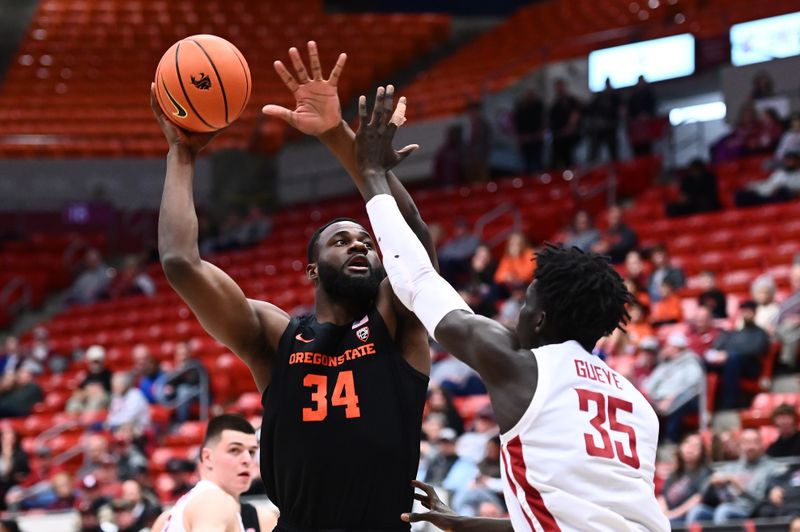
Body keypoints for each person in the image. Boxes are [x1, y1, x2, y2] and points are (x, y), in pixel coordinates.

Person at [155, 41, 433, 531]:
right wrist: (181, 152)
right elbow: (180, 262)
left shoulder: (397, 322)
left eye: (366, 240)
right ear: (311, 270)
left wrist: (336, 133)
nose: (359, 246)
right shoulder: (276, 337)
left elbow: (415, 244)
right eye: (341, 240)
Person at [352, 103, 669, 530]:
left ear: (540, 320)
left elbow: (418, 281)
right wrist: (466, 525)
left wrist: (372, 175)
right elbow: (581, 519)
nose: (516, 314)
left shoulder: (521, 366)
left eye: (526, 304)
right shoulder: (637, 404)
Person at [151, 414, 258, 532]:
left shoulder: (166, 517)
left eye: (252, 452)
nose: (247, 459)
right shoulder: (215, 501)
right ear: (207, 457)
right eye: (234, 450)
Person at [687, 429, 780, 524]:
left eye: (754, 442)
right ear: (741, 445)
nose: (750, 447)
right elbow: (702, 492)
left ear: (762, 445)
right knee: (697, 511)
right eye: (746, 442)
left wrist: (739, 486)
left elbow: (761, 500)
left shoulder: (770, 467)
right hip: (725, 505)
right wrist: (712, 483)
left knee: (723, 511)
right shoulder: (732, 466)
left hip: (750, 511)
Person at [641, 333, 704, 443]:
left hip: (685, 400)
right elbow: (649, 385)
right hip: (659, 400)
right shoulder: (665, 364)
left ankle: (670, 441)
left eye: (668, 346)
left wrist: (672, 398)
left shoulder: (691, 363)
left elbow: (693, 387)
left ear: (676, 348)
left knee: (678, 405)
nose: (666, 349)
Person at [706, 301, 769, 409]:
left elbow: (757, 350)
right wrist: (719, 355)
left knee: (733, 358)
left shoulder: (760, 333)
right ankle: (705, 407)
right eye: (744, 312)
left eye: (749, 312)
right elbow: (716, 347)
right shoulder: (733, 332)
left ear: (754, 313)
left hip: (750, 367)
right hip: (728, 363)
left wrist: (728, 354)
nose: (746, 314)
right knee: (702, 362)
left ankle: (729, 403)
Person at [658, 433, 712, 527]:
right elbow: (662, 497)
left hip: (691, 516)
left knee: (695, 511)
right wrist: (664, 513)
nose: (690, 448)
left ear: (702, 451)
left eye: (695, 446)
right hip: (671, 516)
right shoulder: (675, 473)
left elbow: (698, 499)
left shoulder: (705, 472)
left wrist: (673, 514)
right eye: (687, 443)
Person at [735, 151, 800, 207]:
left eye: (791, 160)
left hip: (781, 195)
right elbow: (768, 183)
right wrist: (753, 186)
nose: (789, 162)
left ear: (797, 161)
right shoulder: (779, 173)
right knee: (741, 194)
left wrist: (783, 188)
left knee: (782, 192)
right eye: (787, 160)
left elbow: (796, 190)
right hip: (766, 195)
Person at [548, 78, 582, 169]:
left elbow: (575, 114)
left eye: (560, 86)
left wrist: (570, 127)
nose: (559, 89)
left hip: (567, 135)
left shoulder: (570, 100)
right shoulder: (555, 102)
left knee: (568, 159)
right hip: (557, 135)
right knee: (555, 160)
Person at [587, 78, 621, 162]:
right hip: (600, 129)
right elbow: (590, 109)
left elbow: (619, 112)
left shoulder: (615, 97)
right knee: (594, 149)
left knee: (613, 152)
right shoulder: (600, 97)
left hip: (611, 128)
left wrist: (610, 122)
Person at [512, 88, 545, 172]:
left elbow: (542, 120)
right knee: (527, 163)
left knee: (537, 161)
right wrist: (520, 136)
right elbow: (517, 121)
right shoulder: (520, 107)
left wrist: (540, 133)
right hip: (525, 138)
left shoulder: (538, 105)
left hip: (536, 137)